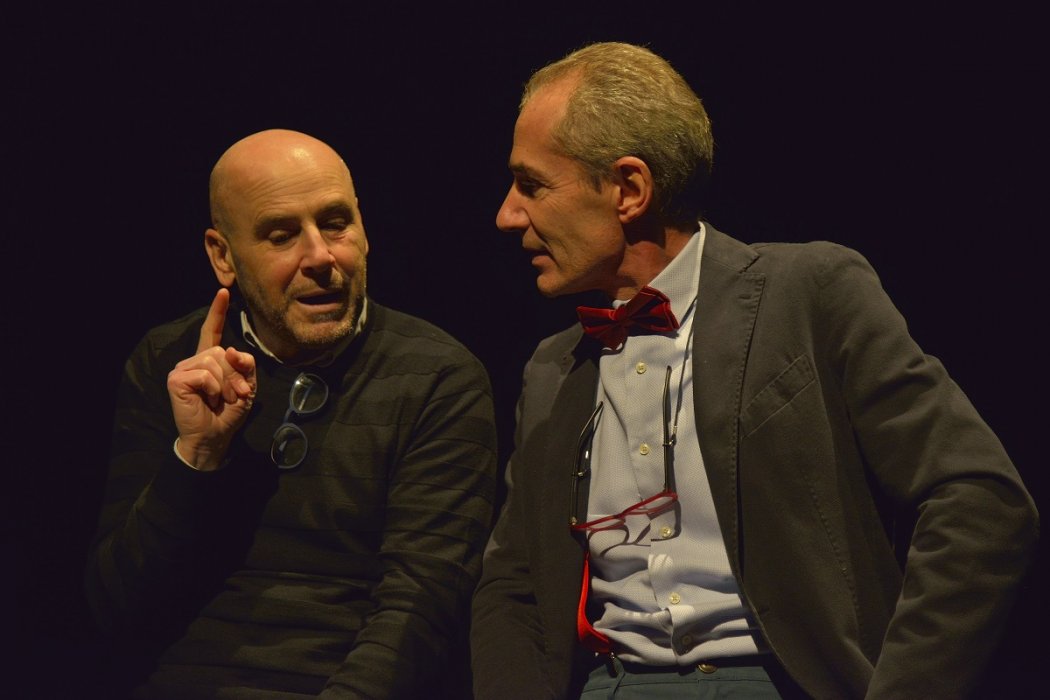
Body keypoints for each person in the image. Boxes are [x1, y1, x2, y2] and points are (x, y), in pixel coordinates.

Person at [470, 42, 1039, 699]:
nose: (507, 215)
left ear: (629, 189)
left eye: (532, 185)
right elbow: (513, 584)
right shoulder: (553, 368)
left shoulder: (808, 294)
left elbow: (980, 501)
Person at [85, 129, 497, 699]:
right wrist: (196, 457)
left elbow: (420, 612)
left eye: (336, 223)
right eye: (282, 236)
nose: (321, 257)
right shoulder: (172, 362)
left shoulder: (438, 376)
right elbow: (117, 609)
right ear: (223, 256)